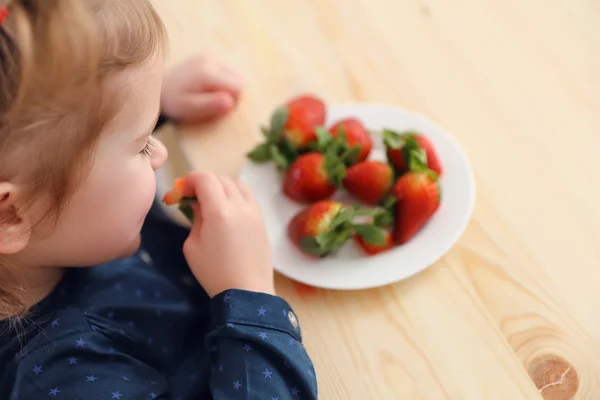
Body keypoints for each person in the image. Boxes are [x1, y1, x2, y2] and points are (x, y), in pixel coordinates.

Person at [0, 1, 318, 399]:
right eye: (142, 145)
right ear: (11, 215)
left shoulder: (59, 232)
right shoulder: (68, 379)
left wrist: (141, 101)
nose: (160, 153)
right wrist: (249, 294)